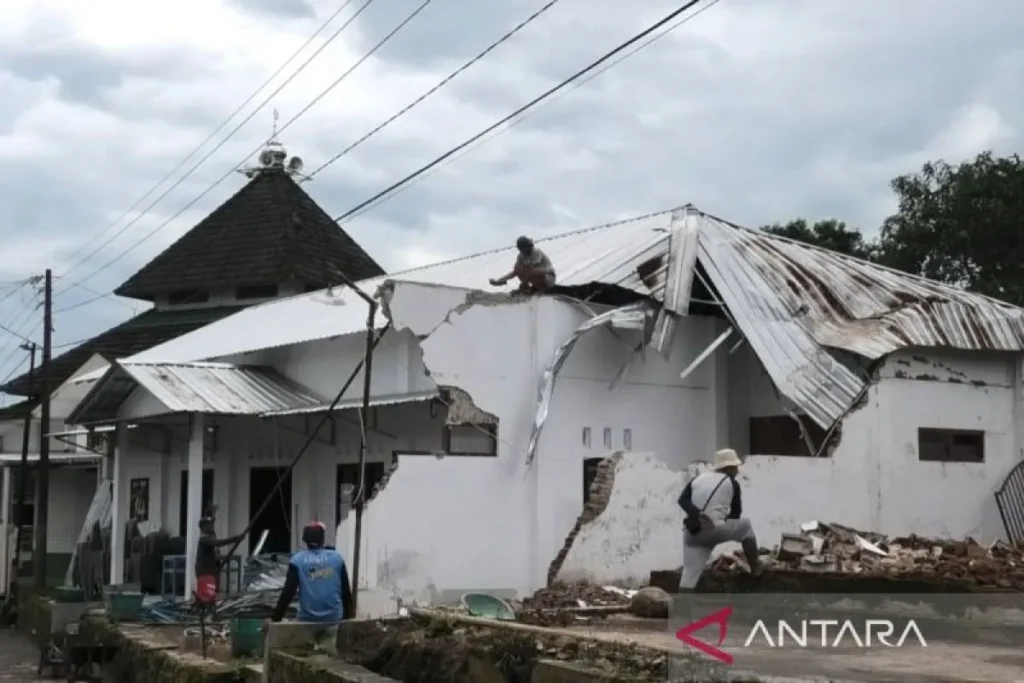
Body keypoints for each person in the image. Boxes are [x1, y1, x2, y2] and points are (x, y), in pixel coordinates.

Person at [677, 448, 762, 591]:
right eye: (735, 467)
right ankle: (756, 567)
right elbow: (736, 514)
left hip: (692, 532)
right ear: (728, 468)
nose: (737, 471)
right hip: (713, 529)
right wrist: (721, 526)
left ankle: (683, 610)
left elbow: (682, 500)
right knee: (746, 526)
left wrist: (697, 513)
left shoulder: (697, 479)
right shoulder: (731, 482)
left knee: (689, 575)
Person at [270, 521, 353, 656]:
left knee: (306, 656)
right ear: (322, 539)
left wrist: (275, 619)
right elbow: (346, 592)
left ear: (305, 540)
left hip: (307, 620)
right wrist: (348, 619)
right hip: (333, 619)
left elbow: (288, 593)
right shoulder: (337, 558)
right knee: (329, 656)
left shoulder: (298, 560)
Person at [195, 514, 246, 607]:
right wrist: (235, 538)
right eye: (209, 525)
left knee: (210, 594)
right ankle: (205, 612)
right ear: (204, 527)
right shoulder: (204, 539)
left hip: (209, 572)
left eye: (211, 525)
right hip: (204, 572)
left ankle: (207, 611)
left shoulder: (208, 538)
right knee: (206, 595)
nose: (211, 527)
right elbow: (219, 543)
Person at [489, 236, 556, 294]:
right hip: (535, 280)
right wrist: (499, 280)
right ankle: (531, 288)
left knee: (532, 271)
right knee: (518, 267)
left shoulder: (536, 252)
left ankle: (540, 288)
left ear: (528, 246)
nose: (522, 251)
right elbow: (515, 272)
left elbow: (531, 271)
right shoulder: (521, 256)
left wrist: (523, 284)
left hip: (548, 278)